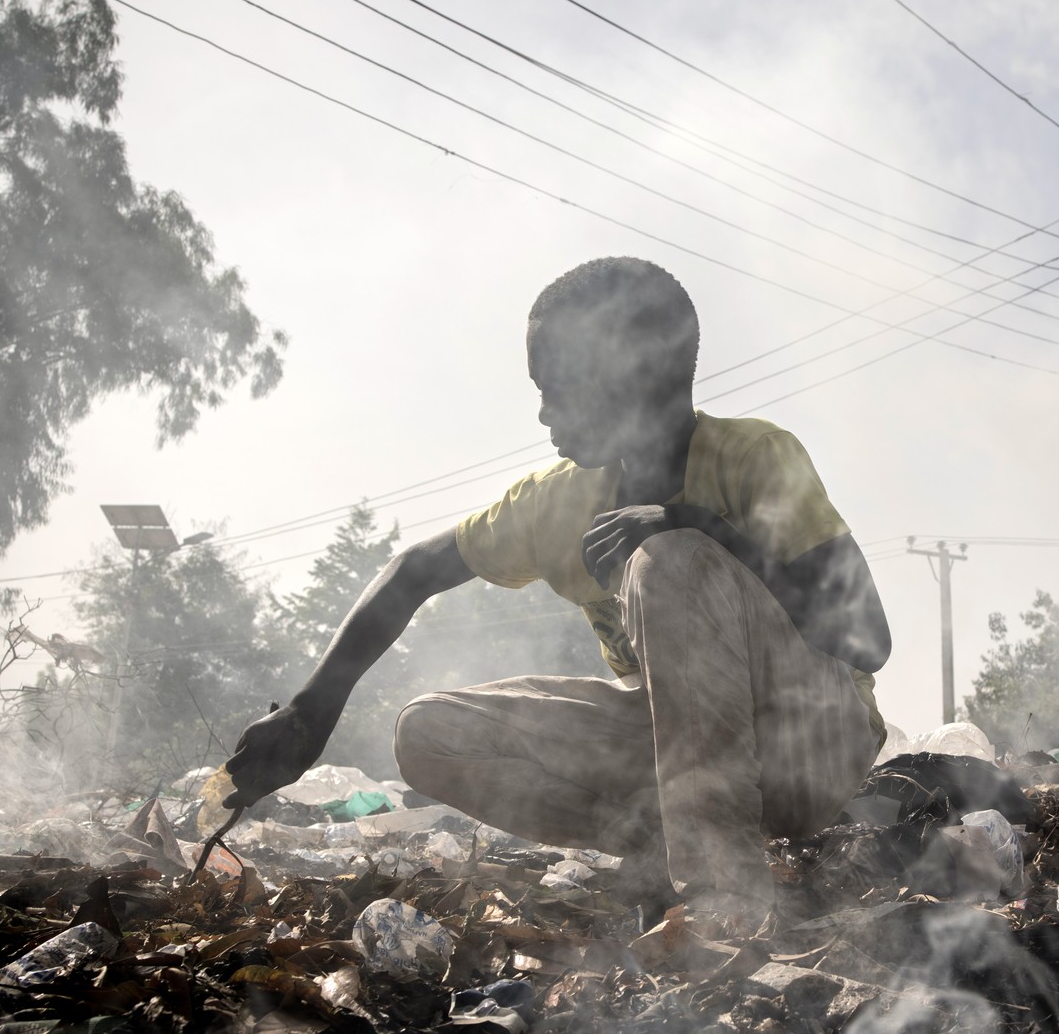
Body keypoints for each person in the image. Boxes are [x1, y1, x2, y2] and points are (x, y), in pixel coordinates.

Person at [224, 257, 891, 933]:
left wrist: (706, 528)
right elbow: (414, 571)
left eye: (558, 387)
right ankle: (660, 853)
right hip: (681, 758)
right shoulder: (561, 498)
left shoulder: (755, 457)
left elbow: (869, 639)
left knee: (670, 560)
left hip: (810, 747)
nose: (544, 412)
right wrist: (313, 710)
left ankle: (726, 900)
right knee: (429, 734)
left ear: (634, 371)